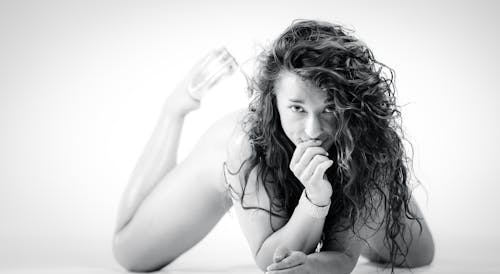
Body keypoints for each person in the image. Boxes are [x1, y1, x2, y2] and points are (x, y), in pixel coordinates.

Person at [112, 19, 435, 274]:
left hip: (354, 156)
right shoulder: (245, 144)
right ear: (273, 101)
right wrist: (315, 200)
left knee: (417, 255)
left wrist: (317, 259)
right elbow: (269, 259)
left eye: (330, 108)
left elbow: (344, 258)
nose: (313, 130)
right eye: (297, 108)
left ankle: (358, 192)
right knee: (130, 254)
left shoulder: (365, 143)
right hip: (221, 165)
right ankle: (175, 108)